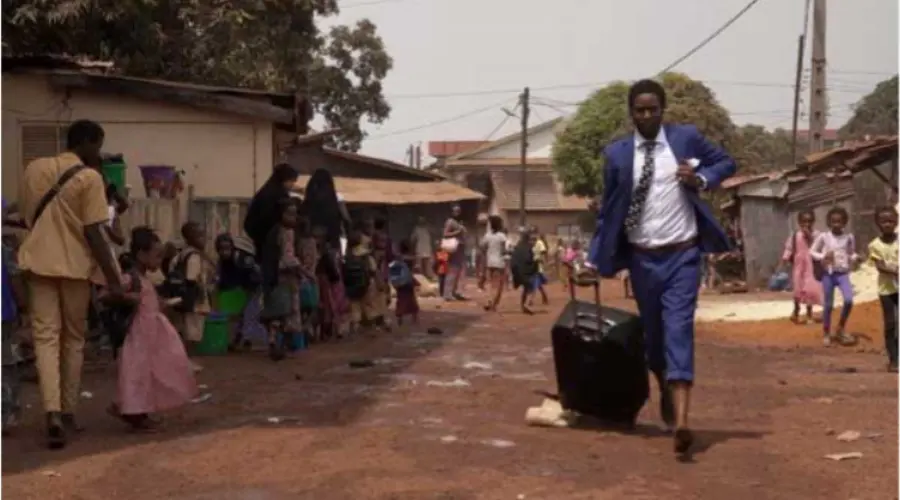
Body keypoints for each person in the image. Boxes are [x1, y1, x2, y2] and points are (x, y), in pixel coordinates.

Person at [590, 79, 737, 455]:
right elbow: (609, 211)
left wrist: (701, 178)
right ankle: (666, 385)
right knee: (654, 341)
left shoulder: (685, 139)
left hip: (683, 255)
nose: (646, 115)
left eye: (652, 109)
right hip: (642, 260)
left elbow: (726, 161)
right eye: (639, 110)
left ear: (662, 110)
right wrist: (595, 257)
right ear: (631, 113)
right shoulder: (618, 155)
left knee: (678, 328)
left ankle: (683, 423)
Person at [17, 119, 123, 449]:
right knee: (74, 339)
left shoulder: (34, 169)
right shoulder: (90, 178)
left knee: (45, 337)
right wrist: (114, 279)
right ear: (89, 143)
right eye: (98, 146)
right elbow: (95, 232)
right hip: (75, 267)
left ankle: (50, 411)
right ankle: (67, 412)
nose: (99, 153)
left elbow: (25, 217)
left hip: (37, 261)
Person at [107, 227, 197, 432]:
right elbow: (107, 294)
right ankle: (134, 412)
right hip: (137, 335)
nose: (159, 262)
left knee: (148, 372)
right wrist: (128, 297)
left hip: (150, 335)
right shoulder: (132, 278)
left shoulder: (145, 279)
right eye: (156, 256)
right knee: (137, 373)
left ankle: (136, 409)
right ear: (141, 254)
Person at [259, 198, 304, 360]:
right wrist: (301, 270)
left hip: (273, 278)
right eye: (289, 214)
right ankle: (282, 346)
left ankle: (275, 344)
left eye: (295, 214)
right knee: (285, 312)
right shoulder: (286, 233)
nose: (293, 217)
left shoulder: (273, 232)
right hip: (284, 278)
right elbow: (288, 257)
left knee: (276, 313)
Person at [809, 207, 859, 347]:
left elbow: (851, 253)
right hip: (828, 274)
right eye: (833, 222)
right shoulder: (824, 237)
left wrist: (856, 258)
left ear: (844, 223)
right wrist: (823, 256)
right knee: (828, 305)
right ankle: (826, 332)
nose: (836, 224)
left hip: (842, 273)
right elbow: (812, 251)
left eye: (839, 222)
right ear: (829, 223)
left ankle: (840, 327)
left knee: (849, 300)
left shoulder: (848, 237)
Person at [169, 222, 211, 372]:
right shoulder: (194, 256)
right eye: (199, 236)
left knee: (186, 330)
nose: (203, 239)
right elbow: (192, 278)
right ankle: (188, 362)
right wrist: (202, 295)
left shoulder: (181, 254)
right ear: (190, 238)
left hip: (183, 299)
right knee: (193, 334)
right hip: (194, 300)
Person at [215, 234, 264, 351]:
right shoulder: (222, 261)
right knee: (238, 315)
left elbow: (253, 276)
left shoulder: (241, 259)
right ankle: (238, 339)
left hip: (252, 287)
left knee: (249, 314)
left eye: (227, 248)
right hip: (239, 289)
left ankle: (246, 340)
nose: (224, 252)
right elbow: (223, 277)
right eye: (221, 249)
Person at [244, 164, 299, 262]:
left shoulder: (270, 191)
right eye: (291, 181)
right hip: (268, 241)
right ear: (283, 179)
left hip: (264, 240)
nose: (292, 185)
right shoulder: (274, 195)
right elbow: (267, 218)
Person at [868, 206, 898, 372]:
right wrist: (895, 272)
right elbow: (879, 267)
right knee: (891, 324)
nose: (888, 224)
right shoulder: (875, 245)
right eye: (884, 221)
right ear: (877, 224)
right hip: (887, 290)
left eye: (891, 221)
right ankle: (893, 360)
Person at [780, 210, 823, 324]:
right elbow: (789, 247)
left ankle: (809, 314)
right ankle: (796, 309)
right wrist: (785, 258)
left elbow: (819, 246)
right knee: (797, 290)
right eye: (804, 221)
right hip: (798, 266)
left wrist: (810, 237)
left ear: (813, 221)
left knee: (809, 290)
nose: (807, 224)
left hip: (811, 266)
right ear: (799, 222)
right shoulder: (795, 235)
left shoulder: (817, 234)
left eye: (809, 221)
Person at [480, 215, 508, 312]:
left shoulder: (487, 235)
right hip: (499, 262)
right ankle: (493, 304)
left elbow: (482, 247)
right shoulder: (502, 236)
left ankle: (489, 301)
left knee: (491, 283)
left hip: (490, 262)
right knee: (498, 285)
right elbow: (504, 251)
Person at [442, 205, 467, 301]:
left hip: (460, 249)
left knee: (458, 272)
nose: (457, 213)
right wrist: (457, 232)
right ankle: (447, 294)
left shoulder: (458, 222)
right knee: (452, 271)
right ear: (451, 212)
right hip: (454, 249)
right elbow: (445, 234)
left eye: (459, 211)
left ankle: (454, 292)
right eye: (455, 211)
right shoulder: (450, 222)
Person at [510, 230, 538, 315]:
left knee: (526, 288)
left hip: (517, 271)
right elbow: (529, 260)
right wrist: (535, 265)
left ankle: (523, 305)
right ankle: (526, 305)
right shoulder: (528, 248)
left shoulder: (517, 247)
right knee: (530, 287)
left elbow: (513, 260)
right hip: (525, 271)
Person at [392, 239, 420, 326]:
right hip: (409, 281)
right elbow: (414, 268)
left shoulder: (398, 258)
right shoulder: (411, 258)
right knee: (411, 299)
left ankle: (400, 317)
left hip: (400, 281)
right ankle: (414, 318)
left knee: (401, 299)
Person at [529, 231, 550, 306]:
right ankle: (544, 296)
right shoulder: (528, 244)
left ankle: (532, 299)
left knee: (535, 282)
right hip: (531, 266)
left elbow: (544, 252)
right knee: (538, 283)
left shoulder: (539, 243)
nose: (532, 240)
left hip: (538, 266)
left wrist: (543, 260)